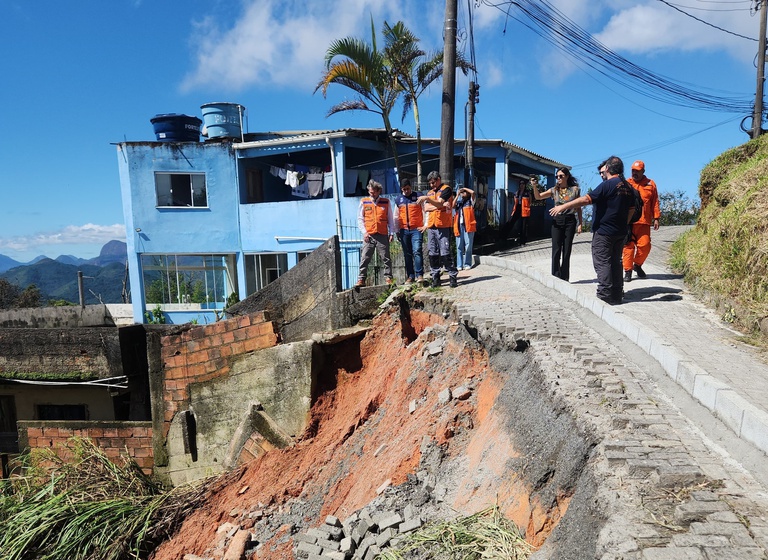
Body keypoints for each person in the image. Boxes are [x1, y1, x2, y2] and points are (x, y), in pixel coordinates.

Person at [549, 156, 634, 305]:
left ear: (607, 168)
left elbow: (587, 199)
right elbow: (633, 208)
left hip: (604, 232)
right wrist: (624, 223)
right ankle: (616, 293)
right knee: (615, 262)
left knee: (603, 262)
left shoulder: (608, 185)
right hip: (620, 232)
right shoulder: (627, 186)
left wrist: (562, 206)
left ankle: (605, 295)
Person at [532, 168, 583, 281]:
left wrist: (580, 223)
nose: (558, 178)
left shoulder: (575, 190)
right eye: (557, 176)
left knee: (567, 250)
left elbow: (579, 207)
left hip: (570, 220)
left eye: (561, 176)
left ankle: (564, 277)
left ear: (567, 176)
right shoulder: (554, 190)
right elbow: (538, 197)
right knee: (556, 249)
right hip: (557, 220)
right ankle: (555, 276)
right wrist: (535, 186)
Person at [418, 171, 459, 288]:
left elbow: (441, 202)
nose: (432, 185)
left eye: (433, 182)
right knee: (433, 253)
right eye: (430, 183)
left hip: (443, 226)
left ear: (439, 179)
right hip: (431, 225)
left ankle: (452, 275)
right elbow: (426, 208)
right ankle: (435, 277)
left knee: (445, 252)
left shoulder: (446, 190)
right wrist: (436, 205)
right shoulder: (430, 193)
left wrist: (431, 202)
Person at [623, 160, 660, 282]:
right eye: (633, 170)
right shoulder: (626, 183)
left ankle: (637, 265)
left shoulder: (651, 184)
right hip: (629, 222)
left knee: (645, 246)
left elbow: (655, 202)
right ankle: (627, 271)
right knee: (628, 247)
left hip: (644, 222)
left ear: (643, 171)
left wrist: (656, 218)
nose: (635, 173)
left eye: (637, 171)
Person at [355, 180, 395, 287]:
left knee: (386, 257)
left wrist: (391, 233)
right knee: (365, 257)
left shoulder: (386, 202)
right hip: (369, 235)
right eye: (370, 192)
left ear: (378, 191)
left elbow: (390, 219)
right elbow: (360, 219)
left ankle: (388, 277)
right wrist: (364, 232)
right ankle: (361, 279)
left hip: (382, 234)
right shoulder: (364, 201)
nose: (371, 194)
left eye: (373, 192)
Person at [394, 178, 425, 284]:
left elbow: (425, 211)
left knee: (417, 251)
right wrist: (397, 230)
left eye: (407, 189)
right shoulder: (398, 200)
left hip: (416, 229)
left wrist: (425, 225)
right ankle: (410, 276)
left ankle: (419, 275)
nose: (406, 191)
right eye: (404, 189)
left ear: (410, 187)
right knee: (407, 254)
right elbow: (396, 216)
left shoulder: (418, 196)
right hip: (404, 230)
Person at [453, 186, 476, 270]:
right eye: (462, 192)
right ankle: (459, 265)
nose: (463, 193)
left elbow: (473, 192)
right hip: (459, 226)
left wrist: (464, 188)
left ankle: (467, 263)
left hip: (468, 226)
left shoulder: (470, 202)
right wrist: (457, 195)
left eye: (464, 192)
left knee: (468, 245)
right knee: (459, 246)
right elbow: (452, 205)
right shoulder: (459, 203)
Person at [507, 178, 532, 245]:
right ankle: (504, 236)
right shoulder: (517, 192)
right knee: (512, 222)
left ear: (525, 185)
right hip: (518, 209)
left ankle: (523, 241)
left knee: (523, 226)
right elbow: (515, 202)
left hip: (525, 210)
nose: (522, 185)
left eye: (523, 184)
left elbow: (530, 202)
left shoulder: (527, 192)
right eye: (520, 184)